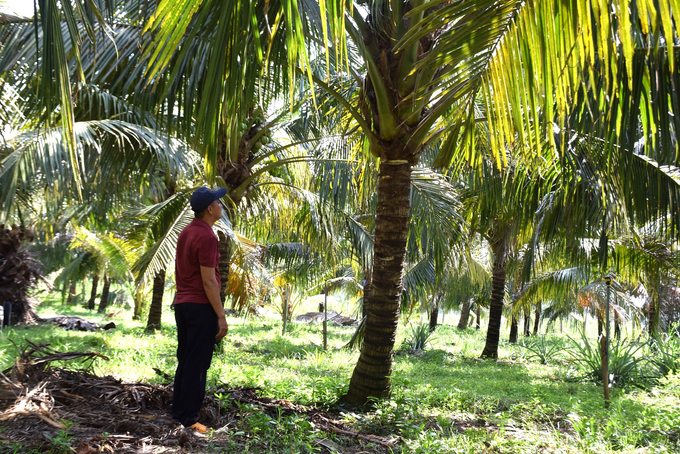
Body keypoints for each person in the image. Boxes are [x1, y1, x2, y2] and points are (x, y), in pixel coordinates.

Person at [172, 187, 229, 433]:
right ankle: (189, 419)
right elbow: (208, 281)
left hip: (183, 304)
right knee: (197, 363)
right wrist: (221, 316)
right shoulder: (207, 237)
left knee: (185, 360)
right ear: (209, 209)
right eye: (218, 202)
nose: (221, 206)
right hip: (200, 306)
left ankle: (179, 412)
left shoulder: (186, 232)